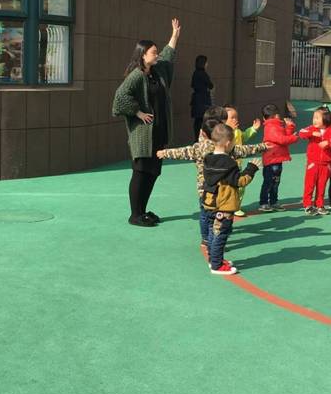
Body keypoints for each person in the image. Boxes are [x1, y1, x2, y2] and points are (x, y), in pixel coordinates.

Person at [157, 106, 267, 247]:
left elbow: (181, 152)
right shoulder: (224, 147)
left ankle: (207, 239)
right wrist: (262, 146)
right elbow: (243, 150)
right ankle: (216, 239)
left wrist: (164, 153)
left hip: (205, 190)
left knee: (206, 216)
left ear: (203, 133)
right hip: (222, 191)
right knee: (219, 218)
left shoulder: (199, 147)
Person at [112, 18, 181, 227]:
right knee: (141, 173)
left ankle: (142, 211)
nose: (157, 55)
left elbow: (168, 56)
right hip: (143, 135)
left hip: (158, 132)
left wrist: (174, 36)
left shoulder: (158, 72)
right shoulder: (136, 76)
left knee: (153, 172)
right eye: (153, 52)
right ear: (143, 55)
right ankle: (135, 215)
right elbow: (120, 98)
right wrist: (138, 112)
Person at [203, 123, 261, 275]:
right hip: (224, 206)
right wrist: (251, 169)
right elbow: (239, 181)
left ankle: (213, 259)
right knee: (221, 234)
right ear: (228, 143)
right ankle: (216, 265)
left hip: (210, 203)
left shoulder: (208, 159)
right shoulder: (229, 163)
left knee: (212, 232)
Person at [299, 106, 331, 216]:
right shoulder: (311, 128)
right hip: (313, 162)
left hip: (326, 164)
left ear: (326, 119)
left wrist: (328, 142)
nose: (315, 120)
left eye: (317, 118)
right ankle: (307, 205)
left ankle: (319, 205)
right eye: (314, 117)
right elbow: (301, 132)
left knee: (322, 185)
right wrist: (311, 133)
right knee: (309, 185)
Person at [258, 103, 298, 212]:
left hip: (277, 159)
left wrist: (289, 126)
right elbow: (282, 140)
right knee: (268, 182)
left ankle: (273, 202)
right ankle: (264, 203)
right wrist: (294, 138)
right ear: (276, 115)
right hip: (271, 160)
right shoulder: (271, 127)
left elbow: (284, 136)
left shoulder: (277, 125)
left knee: (275, 182)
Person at [224, 104, 261, 216]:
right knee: (228, 187)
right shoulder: (223, 133)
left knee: (240, 186)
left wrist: (253, 129)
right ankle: (227, 205)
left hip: (238, 164)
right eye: (232, 118)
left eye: (236, 117)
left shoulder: (238, 131)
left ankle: (236, 206)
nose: (235, 120)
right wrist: (230, 131)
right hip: (227, 166)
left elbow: (244, 136)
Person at [190, 55, 214, 141]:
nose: (207, 64)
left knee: (198, 121)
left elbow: (193, 85)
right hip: (203, 100)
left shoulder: (195, 73)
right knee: (203, 120)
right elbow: (211, 85)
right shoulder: (203, 74)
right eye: (206, 62)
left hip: (197, 100)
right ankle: (201, 139)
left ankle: (197, 139)